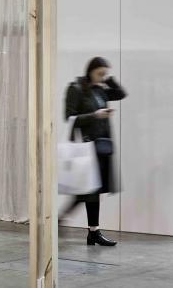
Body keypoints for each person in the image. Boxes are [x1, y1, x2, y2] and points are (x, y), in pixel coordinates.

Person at [61, 57, 127, 246]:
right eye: (100, 73)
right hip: (86, 147)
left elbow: (121, 94)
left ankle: (93, 232)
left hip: (102, 146)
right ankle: (70, 224)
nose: (102, 77)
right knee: (88, 190)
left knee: (93, 190)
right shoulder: (76, 88)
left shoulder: (100, 89)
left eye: (104, 74)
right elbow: (69, 117)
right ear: (91, 70)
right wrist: (95, 115)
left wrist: (109, 80)